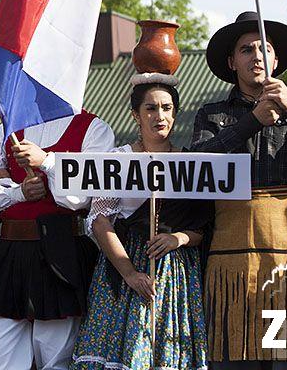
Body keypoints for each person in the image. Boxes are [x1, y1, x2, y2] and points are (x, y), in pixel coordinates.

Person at [191, 11, 287, 369]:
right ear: (231, 61)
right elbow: (198, 166)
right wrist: (252, 122)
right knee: (235, 357)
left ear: (276, 59)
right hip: (229, 259)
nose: (256, 56)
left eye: (264, 48)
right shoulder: (211, 113)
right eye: (246, 49)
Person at [71, 75, 211, 370]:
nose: (159, 116)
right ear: (136, 114)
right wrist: (130, 273)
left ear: (175, 112)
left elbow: (202, 227)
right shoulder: (117, 159)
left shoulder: (192, 162)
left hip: (176, 273)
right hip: (126, 264)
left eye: (167, 108)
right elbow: (100, 222)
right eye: (150, 108)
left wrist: (179, 238)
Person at [0, 102, 116, 370]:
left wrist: (48, 163)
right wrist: (18, 191)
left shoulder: (93, 128)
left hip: (60, 251)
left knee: (56, 358)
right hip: (11, 252)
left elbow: (86, 196)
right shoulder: (9, 129)